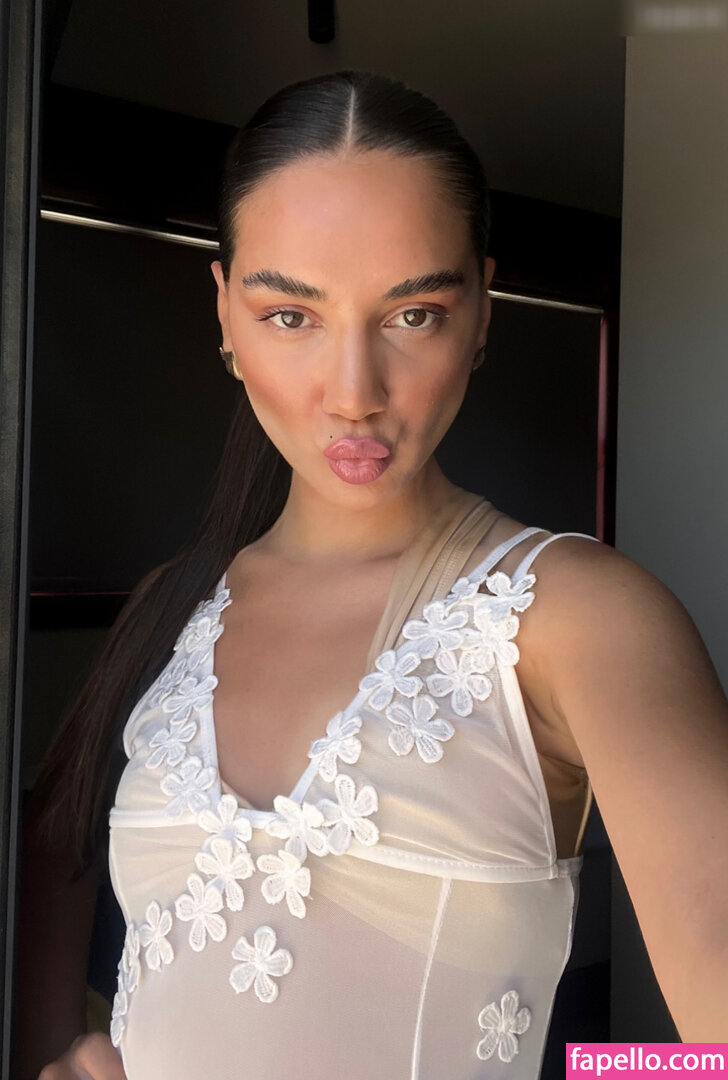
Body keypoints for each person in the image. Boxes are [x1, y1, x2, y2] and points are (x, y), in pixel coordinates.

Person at [17, 68, 728, 1080]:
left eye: (413, 314)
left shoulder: (575, 618)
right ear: (224, 312)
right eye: (290, 316)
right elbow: (58, 871)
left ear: (482, 311)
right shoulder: (169, 609)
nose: (354, 394)